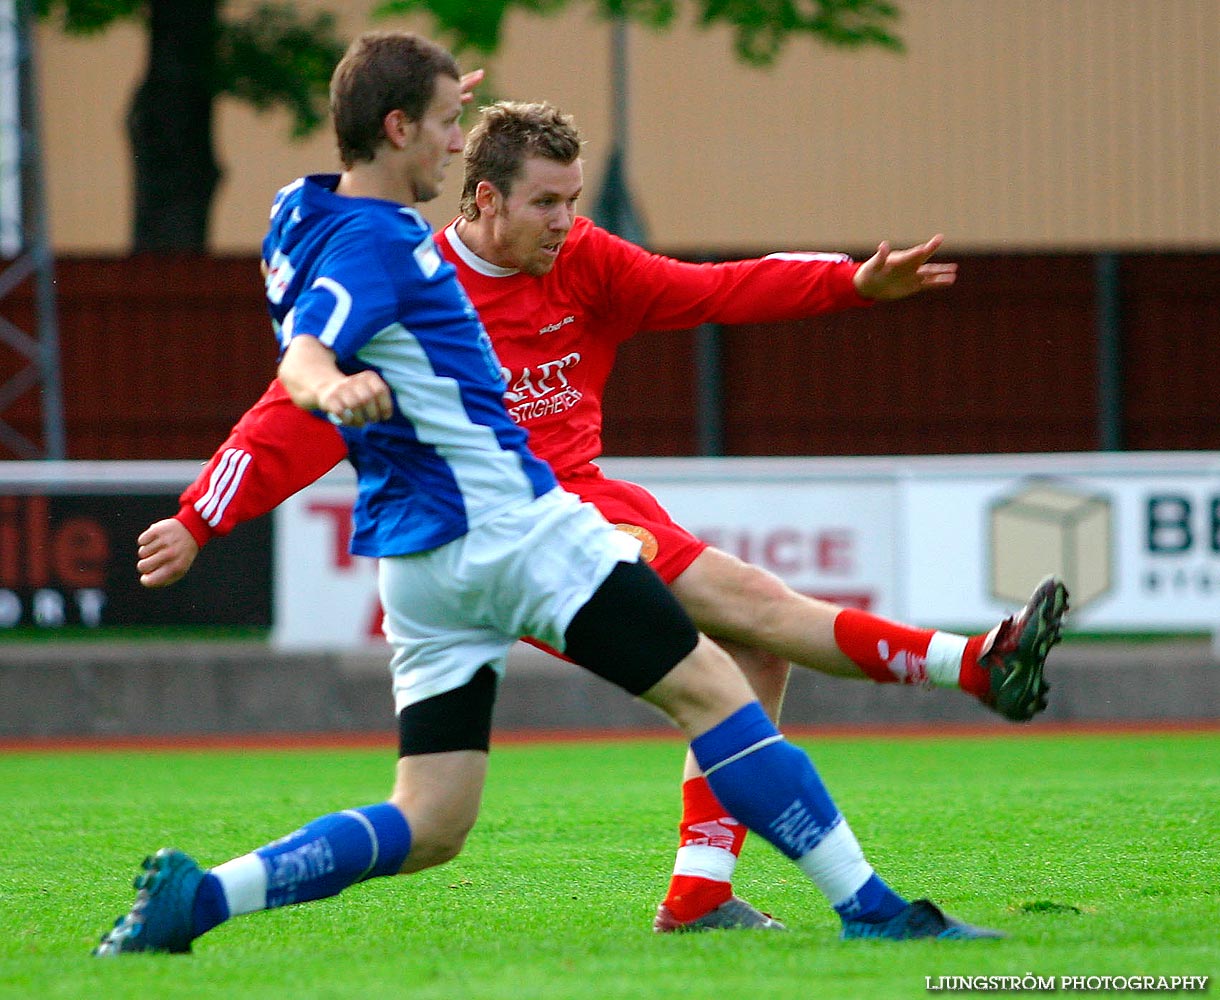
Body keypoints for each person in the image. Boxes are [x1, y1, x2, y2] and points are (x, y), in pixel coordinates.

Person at [94, 30, 1031, 957]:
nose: (457, 144)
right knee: (720, 687)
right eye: (445, 127)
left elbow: (702, 286)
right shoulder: (382, 251)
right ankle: (869, 903)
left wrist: (202, 514)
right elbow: (302, 363)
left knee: (428, 824)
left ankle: (199, 899)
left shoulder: (303, 210)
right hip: (515, 530)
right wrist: (324, 386)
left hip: (418, 570)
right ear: (398, 133)